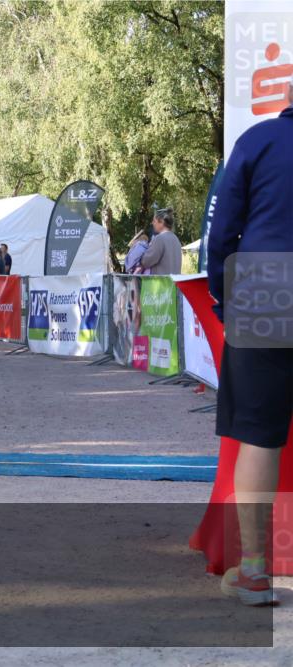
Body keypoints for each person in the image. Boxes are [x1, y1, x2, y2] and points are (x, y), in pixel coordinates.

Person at [208, 81, 293, 606]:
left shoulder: (258, 140)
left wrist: (224, 293)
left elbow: (219, 232)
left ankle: (256, 572)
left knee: (261, 434)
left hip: (265, 289)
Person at [140, 208, 182, 275]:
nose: (152, 223)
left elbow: (146, 262)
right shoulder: (176, 239)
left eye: (154, 221)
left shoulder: (159, 239)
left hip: (160, 284)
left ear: (161, 222)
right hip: (173, 283)